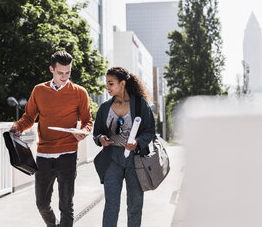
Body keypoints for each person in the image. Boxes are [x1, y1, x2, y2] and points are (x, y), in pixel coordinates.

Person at [10, 50, 93, 227]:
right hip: (44, 155)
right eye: (60, 72)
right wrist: (18, 126)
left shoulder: (80, 92)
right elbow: (28, 118)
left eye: (68, 72)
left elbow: (87, 121)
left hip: (68, 154)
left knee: (66, 206)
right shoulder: (39, 90)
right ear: (51, 69)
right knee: (42, 204)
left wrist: (83, 132)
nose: (64, 76)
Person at [93, 67, 155, 227]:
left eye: (111, 83)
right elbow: (96, 133)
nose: (107, 87)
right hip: (111, 159)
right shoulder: (105, 107)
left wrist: (138, 142)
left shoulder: (140, 104)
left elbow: (149, 131)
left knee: (135, 204)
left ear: (123, 83)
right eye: (106, 83)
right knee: (111, 205)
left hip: (135, 160)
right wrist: (101, 139)